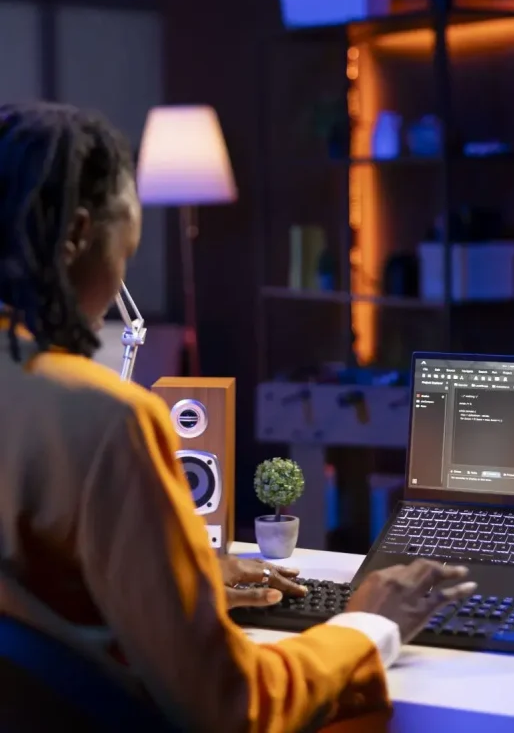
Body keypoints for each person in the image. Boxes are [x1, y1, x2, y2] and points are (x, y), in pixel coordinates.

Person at [0, 102, 476, 732]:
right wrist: (369, 624)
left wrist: (172, 583)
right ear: (79, 235)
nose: (125, 268)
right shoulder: (109, 419)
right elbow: (232, 708)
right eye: (128, 240)